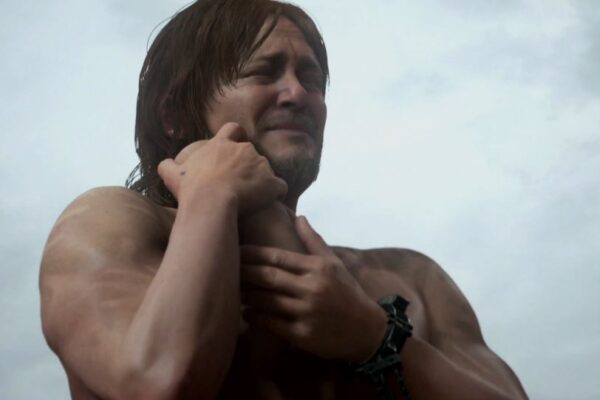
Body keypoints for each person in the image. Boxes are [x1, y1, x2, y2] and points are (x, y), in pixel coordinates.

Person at [39, 1, 528, 399]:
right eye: (264, 72)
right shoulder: (107, 226)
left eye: (311, 79)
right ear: (174, 115)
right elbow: (156, 383)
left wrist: (374, 336)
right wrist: (211, 193)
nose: (297, 93)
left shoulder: (411, 278)